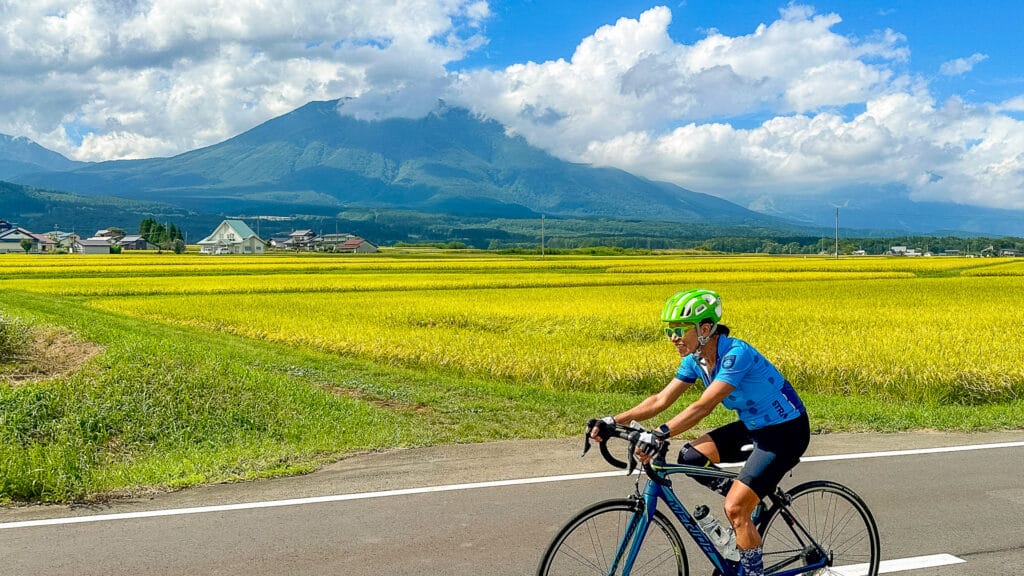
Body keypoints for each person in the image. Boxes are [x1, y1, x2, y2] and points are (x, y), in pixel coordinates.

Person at [590, 288, 809, 576]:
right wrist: (612, 421)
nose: (673, 337)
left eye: (679, 329)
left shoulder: (736, 355)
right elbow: (660, 400)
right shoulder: (696, 360)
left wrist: (659, 434)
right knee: (691, 457)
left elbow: (703, 406)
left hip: (786, 431)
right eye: (669, 330)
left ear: (705, 329)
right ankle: (745, 509)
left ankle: (744, 532)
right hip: (753, 426)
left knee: (735, 508)